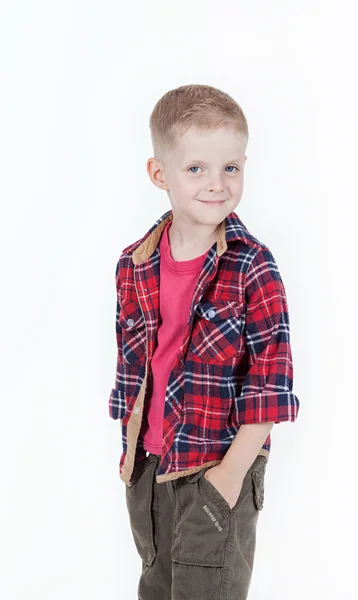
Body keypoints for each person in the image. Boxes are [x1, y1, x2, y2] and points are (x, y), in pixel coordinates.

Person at [108, 83, 300, 600]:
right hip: (149, 469)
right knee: (157, 586)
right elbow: (134, 368)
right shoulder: (135, 263)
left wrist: (228, 479)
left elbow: (270, 384)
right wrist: (131, 455)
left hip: (216, 468)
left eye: (231, 168)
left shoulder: (251, 266)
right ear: (159, 174)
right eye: (196, 168)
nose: (217, 184)